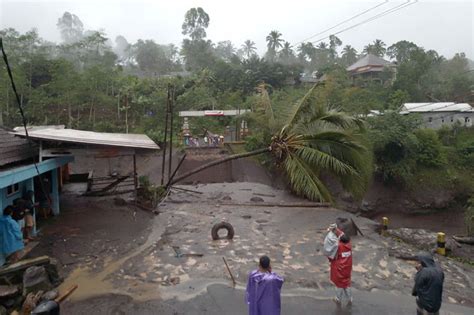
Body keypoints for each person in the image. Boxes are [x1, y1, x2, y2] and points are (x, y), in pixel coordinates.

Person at [328, 231, 353, 305]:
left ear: (341, 241)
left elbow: (331, 256)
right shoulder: (349, 245)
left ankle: (338, 298)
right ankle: (350, 298)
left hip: (339, 269)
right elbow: (342, 234)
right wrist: (336, 229)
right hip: (347, 268)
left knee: (339, 285)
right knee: (346, 284)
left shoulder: (338, 247)